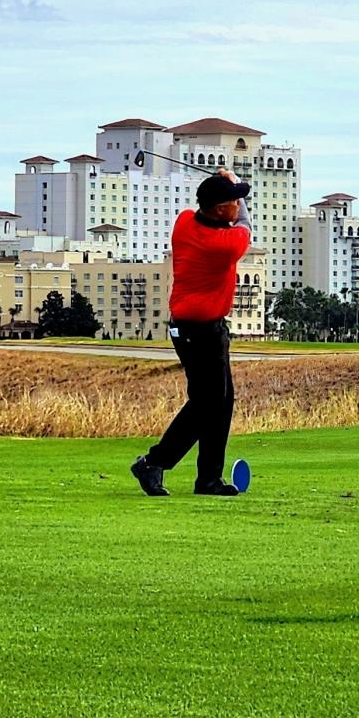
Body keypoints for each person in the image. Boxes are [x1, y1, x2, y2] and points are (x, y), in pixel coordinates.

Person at [131, 169, 251, 497]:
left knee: (221, 402)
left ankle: (209, 479)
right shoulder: (224, 243)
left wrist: (223, 179)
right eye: (233, 200)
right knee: (207, 404)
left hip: (205, 327)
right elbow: (245, 225)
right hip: (196, 331)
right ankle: (154, 463)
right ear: (219, 209)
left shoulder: (185, 221)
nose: (239, 203)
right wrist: (231, 188)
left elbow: (230, 212)